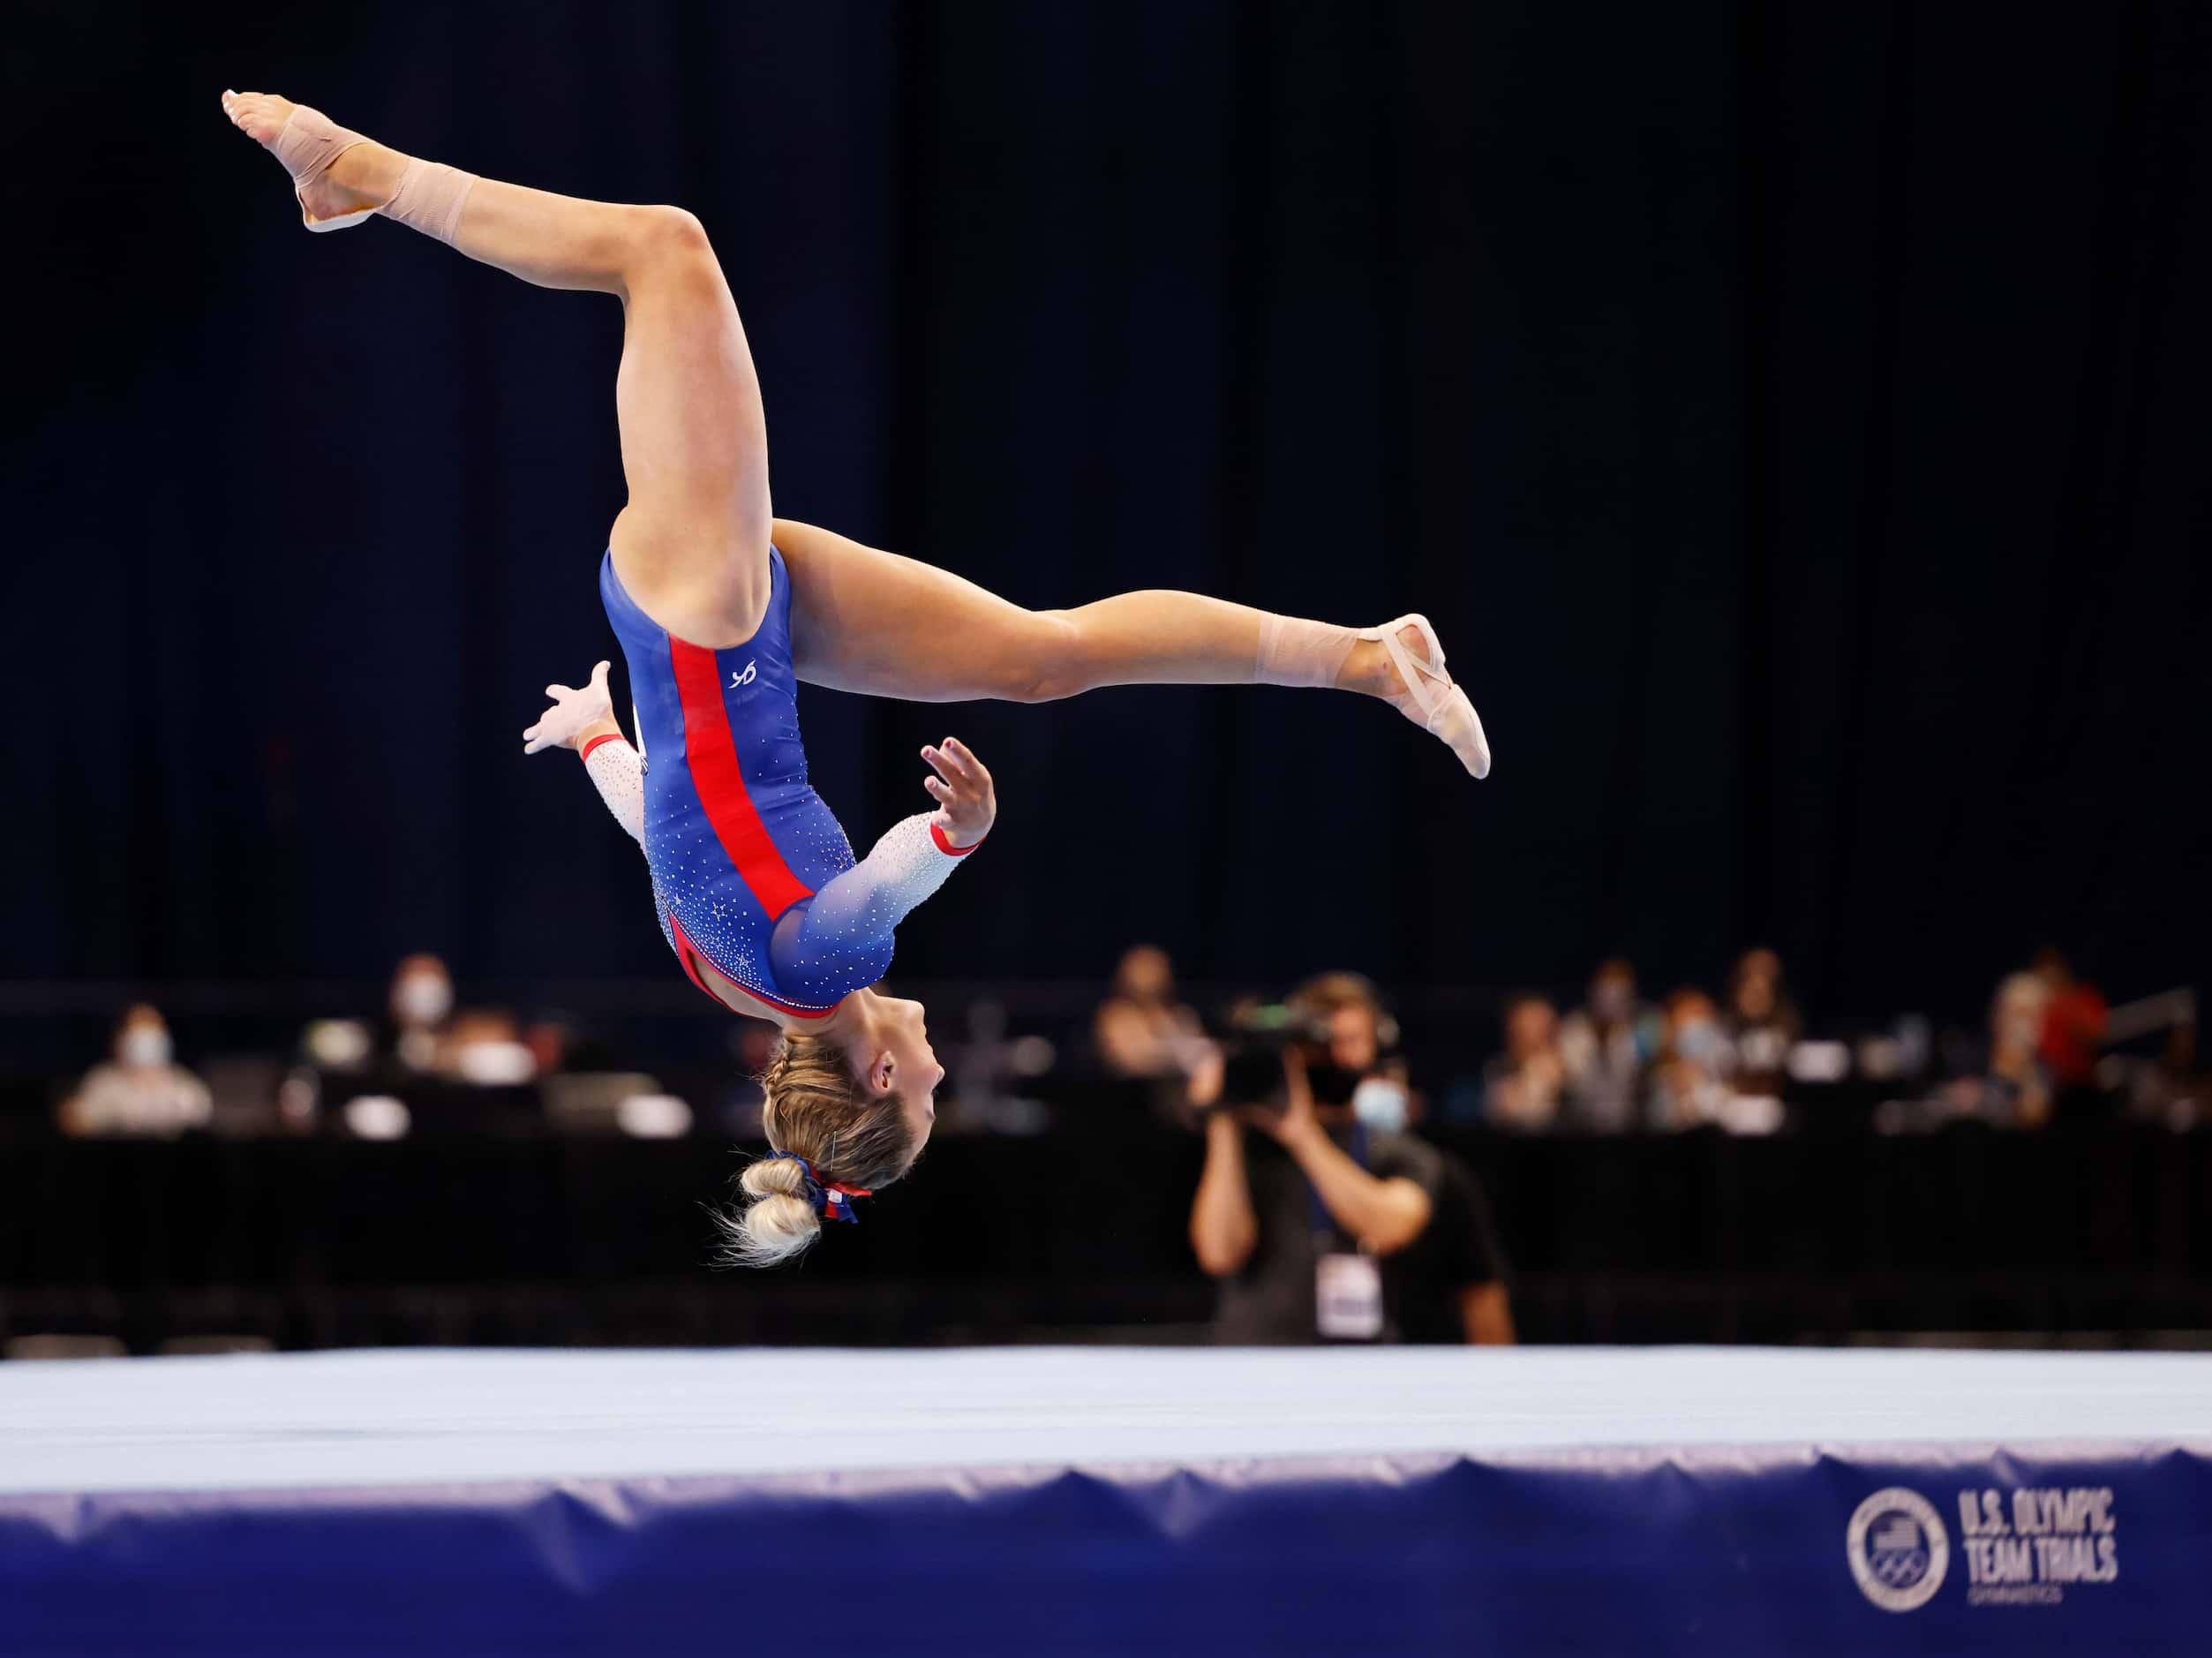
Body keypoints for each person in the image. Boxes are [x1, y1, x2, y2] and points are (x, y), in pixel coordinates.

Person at [222, 91, 1492, 1264]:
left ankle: (364, 178)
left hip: (707, 612)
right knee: (1040, 659)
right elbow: (665, 824)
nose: (940, 1062)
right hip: (734, 632)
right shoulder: (724, 972)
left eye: (928, 1088)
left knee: (662, 250)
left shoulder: (827, 973)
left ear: (878, 1075)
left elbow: (880, 883)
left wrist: (958, 834)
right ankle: (1367, 659)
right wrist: (600, 740)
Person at [1188, 976, 1510, 1345]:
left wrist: (1303, 1135)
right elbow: (1218, 1253)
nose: (1337, 1057)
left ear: (1377, 1048)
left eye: (1351, 1042)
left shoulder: (1401, 1153)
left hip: (1363, 1378)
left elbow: (1388, 1227)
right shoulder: (1253, 1149)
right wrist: (1222, 1120)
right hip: (1257, 1371)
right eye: (1323, 1043)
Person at [58, 1006, 213, 1138]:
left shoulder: (184, 1085)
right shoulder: (103, 1082)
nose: (145, 1041)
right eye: (137, 1032)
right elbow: (76, 1121)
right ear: (120, 1040)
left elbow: (204, 1120)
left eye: (152, 1031)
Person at [1556, 958, 1654, 1134]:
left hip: (1630, 1125)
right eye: (1606, 991)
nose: (1612, 999)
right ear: (1594, 991)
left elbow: (1645, 1072)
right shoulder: (1574, 1029)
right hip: (1581, 1125)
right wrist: (1600, 1040)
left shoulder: (1642, 1029)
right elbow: (1572, 1081)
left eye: (1620, 992)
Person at [1094, 946, 1208, 1080]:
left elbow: (1202, 1053)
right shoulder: (1114, 1016)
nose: (1148, 975)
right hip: (1134, 1090)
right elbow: (1127, 1061)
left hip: (1182, 1087)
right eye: (1142, 968)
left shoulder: (1181, 1014)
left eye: (1154, 967)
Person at [1482, 993, 1566, 1133]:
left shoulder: (1563, 1068)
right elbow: (1501, 1114)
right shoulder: (1497, 1066)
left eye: (1541, 1023)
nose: (1535, 1030)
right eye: (1528, 1023)